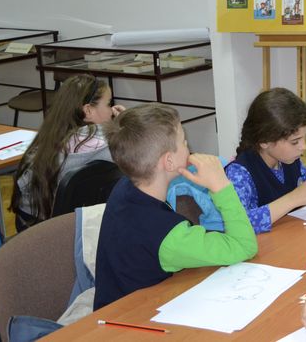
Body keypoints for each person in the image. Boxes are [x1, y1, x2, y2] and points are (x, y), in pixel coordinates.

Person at [94, 103, 257, 310]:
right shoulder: (169, 237)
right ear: (169, 162)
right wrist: (221, 186)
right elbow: (244, 246)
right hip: (133, 319)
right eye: (184, 141)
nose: (189, 146)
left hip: (116, 307)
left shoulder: (127, 185)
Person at [10, 74, 125, 230]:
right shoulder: (101, 141)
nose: (111, 110)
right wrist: (125, 124)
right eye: (108, 104)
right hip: (66, 228)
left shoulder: (50, 137)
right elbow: (138, 151)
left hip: (31, 223)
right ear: (88, 110)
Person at [225, 88, 306, 233]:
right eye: (295, 141)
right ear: (265, 141)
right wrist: (294, 198)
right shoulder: (239, 173)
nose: (304, 146)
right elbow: (238, 224)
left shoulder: (290, 160)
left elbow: (305, 194)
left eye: (304, 138)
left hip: (290, 235)